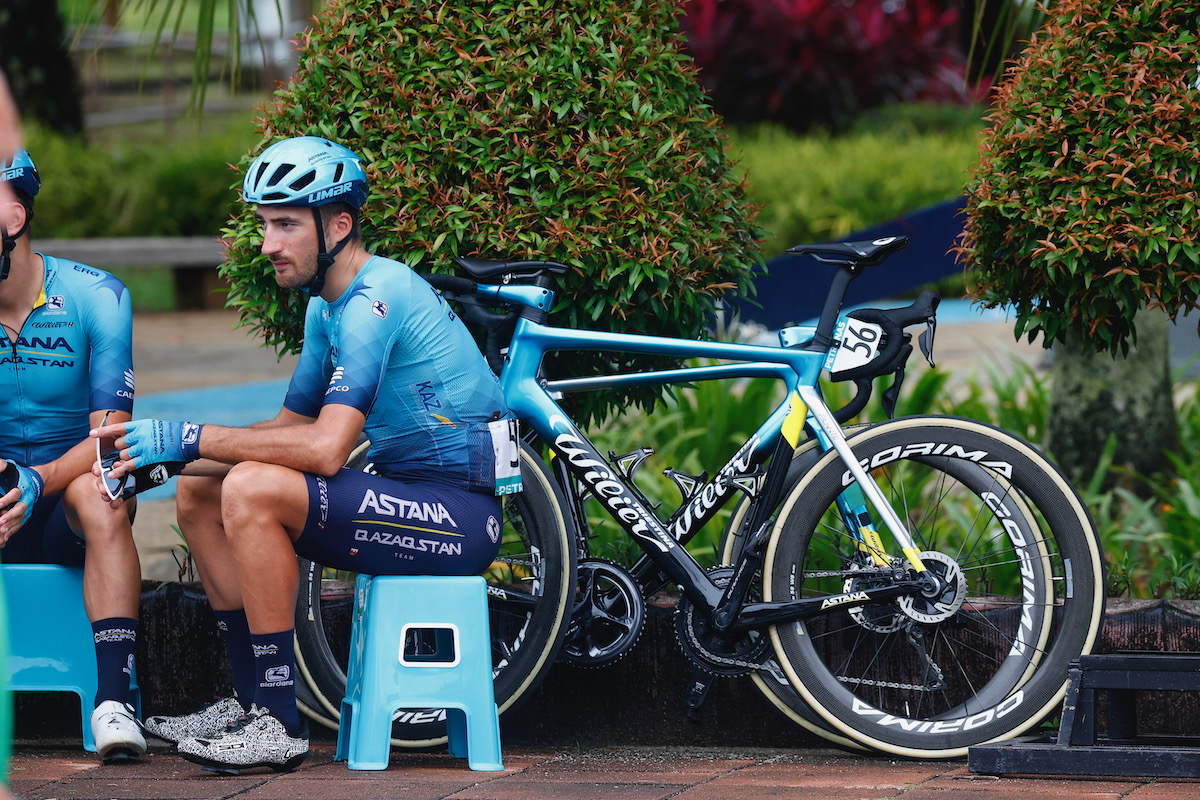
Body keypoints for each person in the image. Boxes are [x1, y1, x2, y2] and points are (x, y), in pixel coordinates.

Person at [94, 135, 516, 774]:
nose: (268, 244)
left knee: (251, 488)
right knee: (202, 492)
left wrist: (190, 438)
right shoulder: (328, 308)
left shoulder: (379, 298)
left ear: (339, 225)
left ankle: (277, 722)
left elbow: (321, 450)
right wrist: (168, 461)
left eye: (285, 225)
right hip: (408, 496)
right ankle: (251, 699)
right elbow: (285, 428)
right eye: (265, 225)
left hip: (461, 516)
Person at [0, 147, 145, 764]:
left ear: (16, 211)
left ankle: (114, 703)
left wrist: (39, 480)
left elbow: (110, 438)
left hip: (72, 506)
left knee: (101, 484)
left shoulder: (98, 297)